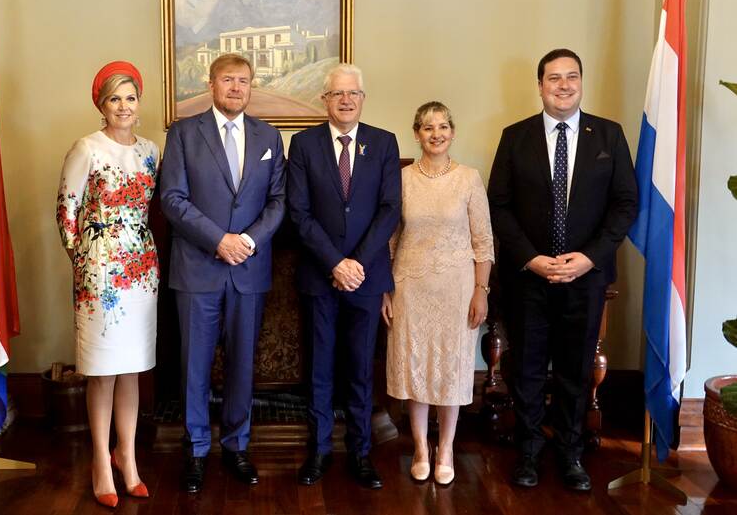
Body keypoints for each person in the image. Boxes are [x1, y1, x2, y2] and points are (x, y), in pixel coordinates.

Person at [487, 48, 637, 491]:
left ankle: (571, 453)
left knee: (575, 370)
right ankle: (529, 451)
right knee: (528, 368)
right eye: (554, 78)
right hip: (528, 277)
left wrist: (589, 257)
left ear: (581, 82)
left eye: (572, 76)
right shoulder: (515, 137)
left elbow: (625, 204)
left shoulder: (608, 136)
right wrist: (530, 257)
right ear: (540, 85)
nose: (564, 85)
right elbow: (499, 205)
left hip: (586, 278)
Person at [159, 53, 286, 493]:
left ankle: (236, 446)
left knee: (242, 367)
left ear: (252, 87)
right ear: (211, 84)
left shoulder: (269, 136)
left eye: (244, 81)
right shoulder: (182, 134)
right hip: (198, 269)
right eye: (228, 79)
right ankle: (195, 450)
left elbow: (278, 202)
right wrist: (219, 240)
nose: (236, 87)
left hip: (249, 270)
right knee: (193, 366)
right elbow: (172, 199)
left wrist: (247, 241)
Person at [287, 63, 401, 489]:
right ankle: (318, 452)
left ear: (363, 98)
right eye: (338, 94)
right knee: (319, 368)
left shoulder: (384, 143)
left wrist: (356, 264)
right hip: (320, 276)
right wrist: (336, 263)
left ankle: (361, 453)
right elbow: (299, 213)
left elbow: (390, 209)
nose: (346, 100)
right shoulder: (303, 144)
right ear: (325, 100)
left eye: (353, 93)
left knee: (359, 368)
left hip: (367, 279)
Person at [56, 61, 159, 508]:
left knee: (132, 367)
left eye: (130, 98)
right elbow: (65, 211)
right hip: (99, 277)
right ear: (102, 104)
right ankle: (101, 461)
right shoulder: (87, 148)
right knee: (101, 370)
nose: (123, 106)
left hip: (142, 271)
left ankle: (127, 458)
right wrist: (85, 264)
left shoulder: (151, 150)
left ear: (139, 103)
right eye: (114, 98)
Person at [382, 101, 494, 485]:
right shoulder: (401, 179)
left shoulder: (469, 178)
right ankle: (419, 446)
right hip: (409, 286)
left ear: (452, 131)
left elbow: (483, 241)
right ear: (417, 133)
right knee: (415, 368)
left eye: (443, 126)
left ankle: (445, 447)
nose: (436, 134)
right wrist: (386, 290)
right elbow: (390, 240)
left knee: (450, 369)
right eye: (428, 127)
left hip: (457, 290)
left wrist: (481, 290)